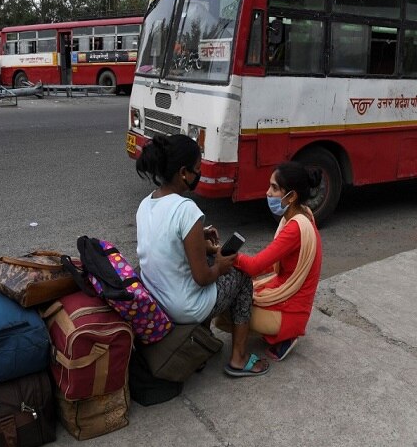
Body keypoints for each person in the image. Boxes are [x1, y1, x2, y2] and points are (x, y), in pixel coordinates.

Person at [135, 134, 269, 377]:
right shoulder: (186, 209)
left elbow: (166, 246)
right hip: (182, 307)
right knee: (241, 277)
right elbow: (203, 277)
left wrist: (201, 241)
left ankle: (200, 346)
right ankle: (239, 358)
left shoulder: (146, 204)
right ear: (183, 172)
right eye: (197, 170)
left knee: (211, 261)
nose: (199, 174)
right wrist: (219, 265)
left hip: (156, 296)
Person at [232, 162, 323, 361]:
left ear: (291, 196)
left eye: (274, 188)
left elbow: (256, 265)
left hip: (291, 308)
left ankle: (286, 335)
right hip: (286, 293)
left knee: (231, 309)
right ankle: (276, 332)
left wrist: (227, 256)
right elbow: (267, 263)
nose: (267, 193)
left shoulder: (295, 228)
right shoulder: (300, 214)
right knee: (242, 290)